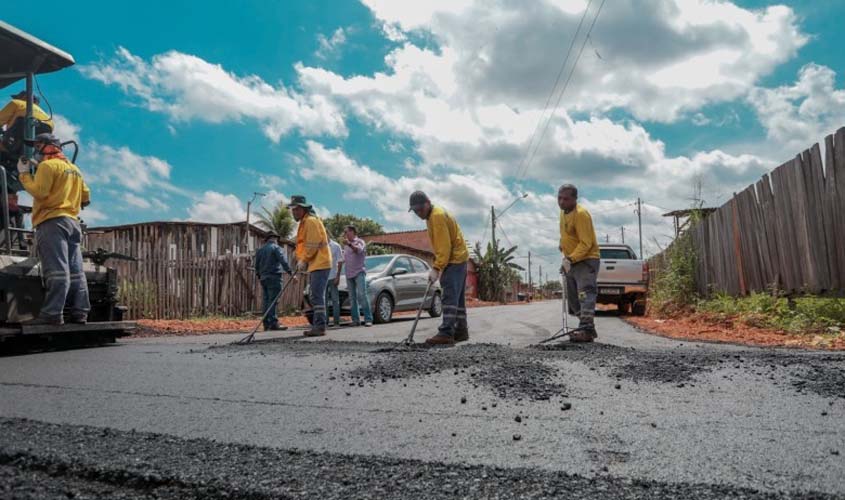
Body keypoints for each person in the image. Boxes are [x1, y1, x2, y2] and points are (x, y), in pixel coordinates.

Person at [17, 133, 90, 325]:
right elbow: (86, 197)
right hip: (72, 223)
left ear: (49, 146)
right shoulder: (74, 169)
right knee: (76, 272)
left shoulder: (47, 166)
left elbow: (40, 192)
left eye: (38, 146)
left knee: (57, 271)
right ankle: (80, 312)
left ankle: (52, 314)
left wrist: (24, 174)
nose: (36, 150)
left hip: (52, 222)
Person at [408, 191, 469, 346]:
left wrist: (437, 267)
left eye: (420, 209)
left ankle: (446, 333)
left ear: (428, 202)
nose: (418, 213)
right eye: (415, 211)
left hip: (454, 259)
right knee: (457, 298)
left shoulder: (437, 217)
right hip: (459, 258)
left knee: (449, 296)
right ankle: (461, 330)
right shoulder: (433, 215)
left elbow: (444, 247)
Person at [558, 183, 601, 342]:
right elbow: (567, 233)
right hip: (571, 261)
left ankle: (585, 329)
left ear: (575, 199)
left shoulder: (581, 214)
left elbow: (586, 243)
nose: (561, 202)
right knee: (573, 299)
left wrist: (571, 258)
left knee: (585, 294)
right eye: (559, 198)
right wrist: (562, 244)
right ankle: (588, 328)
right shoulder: (563, 212)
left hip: (586, 260)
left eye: (566, 199)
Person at [288, 195, 332, 337]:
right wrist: (300, 258)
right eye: (292, 210)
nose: (293, 212)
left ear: (303, 209)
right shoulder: (305, 222)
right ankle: (318, 325)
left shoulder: (311, 221)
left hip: (321, 262)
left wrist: (304, 259)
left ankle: (320, 326)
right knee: (315, 295)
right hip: (316, 263)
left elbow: (312, 244)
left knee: (316, 295)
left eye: (296, 209)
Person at [254, 231, 295, 331]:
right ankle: (273, 323)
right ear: (274, 238)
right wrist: (291, 273)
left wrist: (260, 276)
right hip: (274, 277)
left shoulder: (260, 250)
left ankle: (266, 323)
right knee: (273, 300)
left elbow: (257, 266)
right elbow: (283, 261)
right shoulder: (276, 248)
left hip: (264, 278)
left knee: (266, 300)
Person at [342, 225, 373, 327]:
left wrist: (349, 244)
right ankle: (356, 320)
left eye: (346, 232)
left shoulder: (360, 241)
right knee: (352, 298)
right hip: (348, 274)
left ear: (352, 232)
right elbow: (344, 258)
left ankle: (368, 319)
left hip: (359, 272)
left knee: (362, 295)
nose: (345, 234)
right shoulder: (345, 246)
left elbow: (358, 250)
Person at [325, 237, 344, 327]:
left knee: (335, 300)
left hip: (333, 276)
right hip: (323, 277)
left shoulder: (336, 246)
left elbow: (340, 261)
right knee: (323, 300)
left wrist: (338, 276)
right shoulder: (320, 245)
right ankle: (325, 322)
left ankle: (336, 322)